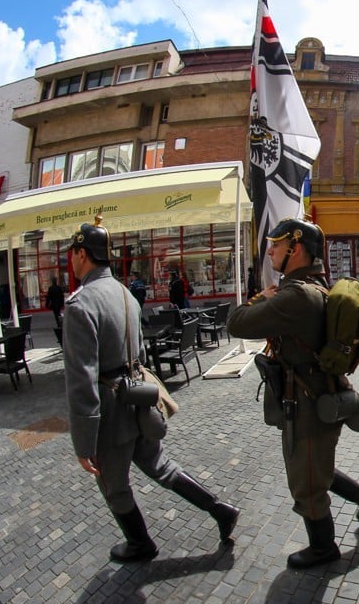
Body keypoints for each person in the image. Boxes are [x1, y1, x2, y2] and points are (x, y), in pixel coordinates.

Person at [63, 216, 239, 563]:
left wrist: (83, 442)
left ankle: (141, 543)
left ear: (82, 254)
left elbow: (82, 380)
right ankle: (219, 508)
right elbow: (140, 353)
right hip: (137, 399)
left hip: (111, 413)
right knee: (160, 465)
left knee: (115, 486)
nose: (71, 258)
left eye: (72, 252)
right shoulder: (125, 293)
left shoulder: (81, 303)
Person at [226, 218, 359, 569]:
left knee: (306, 481)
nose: (270, 251)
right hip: (318, 396)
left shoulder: (295, 295)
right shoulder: (315, 286)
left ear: (295, 249)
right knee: (314, 465)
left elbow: (236, 323)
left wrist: (259, 297)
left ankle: (323, 548)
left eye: (276, 245)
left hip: (306, 404)